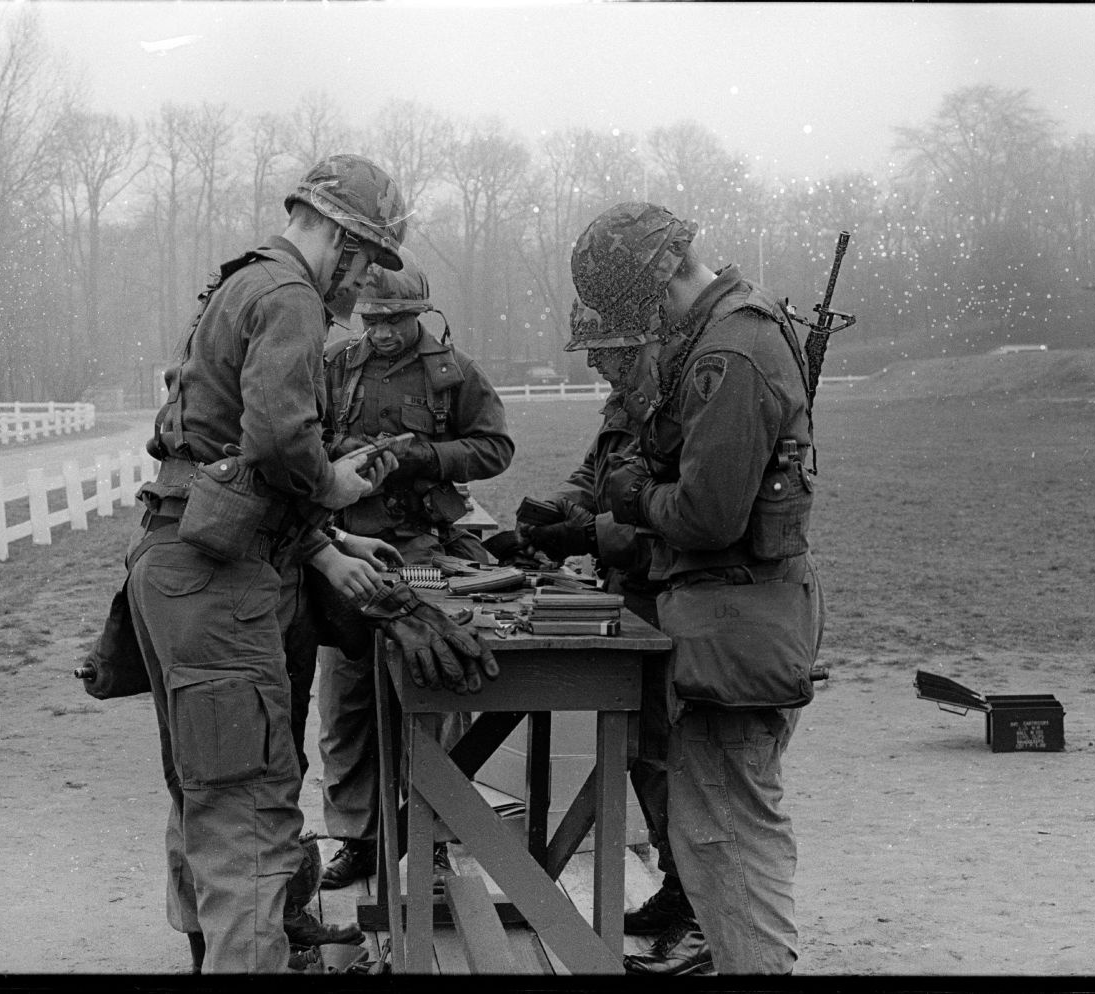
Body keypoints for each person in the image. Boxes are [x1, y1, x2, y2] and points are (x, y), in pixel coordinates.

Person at [125, 153, 415, 973]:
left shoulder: (239, 284)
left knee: (205, 799)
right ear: (329, 229)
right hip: (220, 578)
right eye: (358, 255)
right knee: (250, 821)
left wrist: (326, 538)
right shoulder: (289, 294)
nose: (356, 280)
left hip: (177, 562)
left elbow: (225, 451)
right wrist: (336, 483)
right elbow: (282, 443)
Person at [574, 201, 826, 975]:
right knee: (713, 829)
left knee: (728, 834)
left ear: (654, 287)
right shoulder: (725, 339)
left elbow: (709, 514)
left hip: (736, 616)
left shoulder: (731, 351)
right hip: (727, 615)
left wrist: (630, 497)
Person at [508, 292, 711, 975]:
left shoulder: (684, 406)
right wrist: (553, 510)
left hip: (682, 599)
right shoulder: (626, 405)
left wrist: (587, 532)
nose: (598, 367)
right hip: (636, 601)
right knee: (648, 753)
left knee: (686, 761)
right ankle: (681, 894)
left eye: (608, 354)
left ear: (645, 344)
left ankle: (705, 918)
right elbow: (596, 478)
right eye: (594, 356)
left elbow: (680, 515)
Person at [314, 247, 514, 891]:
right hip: (342, 549)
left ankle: (428, 838)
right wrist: (341, 454)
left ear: (420, 313)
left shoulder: (451, 373)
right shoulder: (335, 365)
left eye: (395, 319)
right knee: (347, 703)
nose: (381, 332)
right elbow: (296, 438)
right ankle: (359, 839)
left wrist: (421, 457)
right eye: (371, 320)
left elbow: (495, 448)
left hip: (420, 551)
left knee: (428, 696)